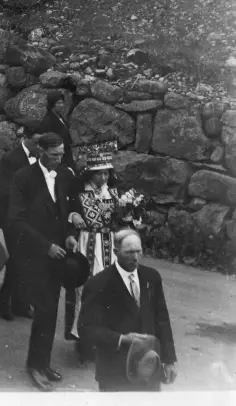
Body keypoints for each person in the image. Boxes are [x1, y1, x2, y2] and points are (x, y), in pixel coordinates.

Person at [9, 132, 82, 391]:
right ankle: (35, 366)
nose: (59, 160)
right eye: (54, 155)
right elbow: (16, 220)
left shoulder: (62, 174)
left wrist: (70, 236)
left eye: (62, 155)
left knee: (51, 310)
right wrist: (45, 246)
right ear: (40, 151)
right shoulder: (23, 178)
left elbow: (67, 212)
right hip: (35, 255)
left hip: (58, 254)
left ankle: (43, 362)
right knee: (44, 310)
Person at [65, 147, 144, 363]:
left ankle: (107, 341)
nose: (103, 177)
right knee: (87, 292)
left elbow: (120, 221)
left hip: (109, 245)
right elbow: (67, 211)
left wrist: (131, 213)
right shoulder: (79, 192)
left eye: (106, 173)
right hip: (88, 243)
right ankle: (84, 343)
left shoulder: (114, 193)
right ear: (90, 173)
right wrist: (72, 216)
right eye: (99, 173)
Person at [79, 229, 178, 392]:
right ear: (115, 251)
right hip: (115, 372)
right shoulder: (99, 284)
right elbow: (86, 328)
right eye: (129, 252)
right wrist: (121, 338)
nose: (135, 257)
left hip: (149, 367)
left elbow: (162, 320)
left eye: (139, 251)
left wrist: (169, 360)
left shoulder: (151, 277)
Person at [0, 125, 40, 321]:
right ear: (26, 138)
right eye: (36, 142)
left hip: (33, 219)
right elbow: (6, 190)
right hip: (13, 218)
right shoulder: (10, 159)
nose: (40, 146)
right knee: (16, 260)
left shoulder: (42, 156)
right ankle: (4, 302)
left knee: (29, 261)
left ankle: (21, 303)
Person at [36, 91, 75, 171]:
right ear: (52, 104)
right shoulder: (47, 121)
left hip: (67, 155)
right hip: (58, 159)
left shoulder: (60, 117)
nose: (62, 105)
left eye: (62, 103)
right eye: (59, 103)